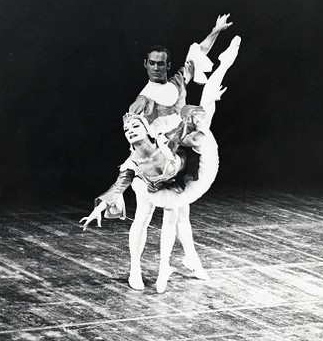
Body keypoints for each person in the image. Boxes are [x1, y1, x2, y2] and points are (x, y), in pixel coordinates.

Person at [80, 35, 241, 293]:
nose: (157, 68)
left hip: (172, 156)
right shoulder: (142, 101)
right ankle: (136, 268)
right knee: (144, 215)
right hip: (151, 165)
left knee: (180, 212)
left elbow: (196, 56)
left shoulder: (177, 81)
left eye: (161, 64)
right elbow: (133, 135)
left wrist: (216, 31)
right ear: (146, 65)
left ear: (167, 65)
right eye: (152, 64)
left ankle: (187, 261)